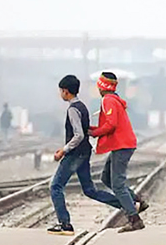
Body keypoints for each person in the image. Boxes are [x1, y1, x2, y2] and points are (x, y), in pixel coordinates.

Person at [47, 75, 146, 235]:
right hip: (88, 152)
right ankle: (130, 203)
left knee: (56, 186)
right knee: (93, 188)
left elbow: (81, 134)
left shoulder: (99, 102)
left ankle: (65, 224)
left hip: (80, 153)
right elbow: (86, 130)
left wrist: (64, 150)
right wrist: (93, 131)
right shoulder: (84, 106)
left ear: (65, 91)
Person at [90, 72, 147, 233]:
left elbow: (111, 124)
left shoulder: (108, 100)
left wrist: (94, 133)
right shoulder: (114, 99)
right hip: (121, 144)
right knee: (106, 178)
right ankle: (137, 201)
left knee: (117, 184)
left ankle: (134, 219)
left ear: (102, 87)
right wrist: (93, 129)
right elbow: (110, 124)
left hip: (122, 145)